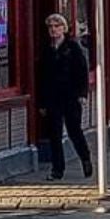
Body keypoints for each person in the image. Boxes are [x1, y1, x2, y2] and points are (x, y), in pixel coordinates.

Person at [36, 12, 95, 182]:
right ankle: (57, 169)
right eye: (51, 27)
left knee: (74, 130)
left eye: (57, 26)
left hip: (70, 96)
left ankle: (85, 158)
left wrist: (82, 94)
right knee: (54, 134)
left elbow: (82, 71)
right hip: (52, 98)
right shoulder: (46, 50)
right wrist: (42, 103)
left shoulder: (73, 48)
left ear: (64, 28)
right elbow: (42, 77)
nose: (53, 30)